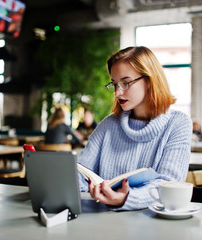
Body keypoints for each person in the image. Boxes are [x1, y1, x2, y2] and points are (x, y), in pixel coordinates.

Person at [77, 46, 192, 211]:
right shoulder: (108, 124)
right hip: (103, 222)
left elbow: (168, 183)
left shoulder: (178, 124)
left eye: (126, 83)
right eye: (115, 84)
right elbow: (82, 172)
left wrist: (126, 199)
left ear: (150, 81)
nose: (117, 93)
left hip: (153, 225)